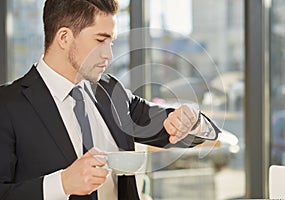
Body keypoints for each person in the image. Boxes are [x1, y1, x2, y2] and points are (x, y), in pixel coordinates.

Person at [0, 0, 220, 199]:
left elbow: (177, 130)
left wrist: (190, 119)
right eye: (100, 40)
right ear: (64, 37)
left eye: (111, 42)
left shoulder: (110, 91)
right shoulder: (7, 105)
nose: (109, 55)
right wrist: (63, 183)